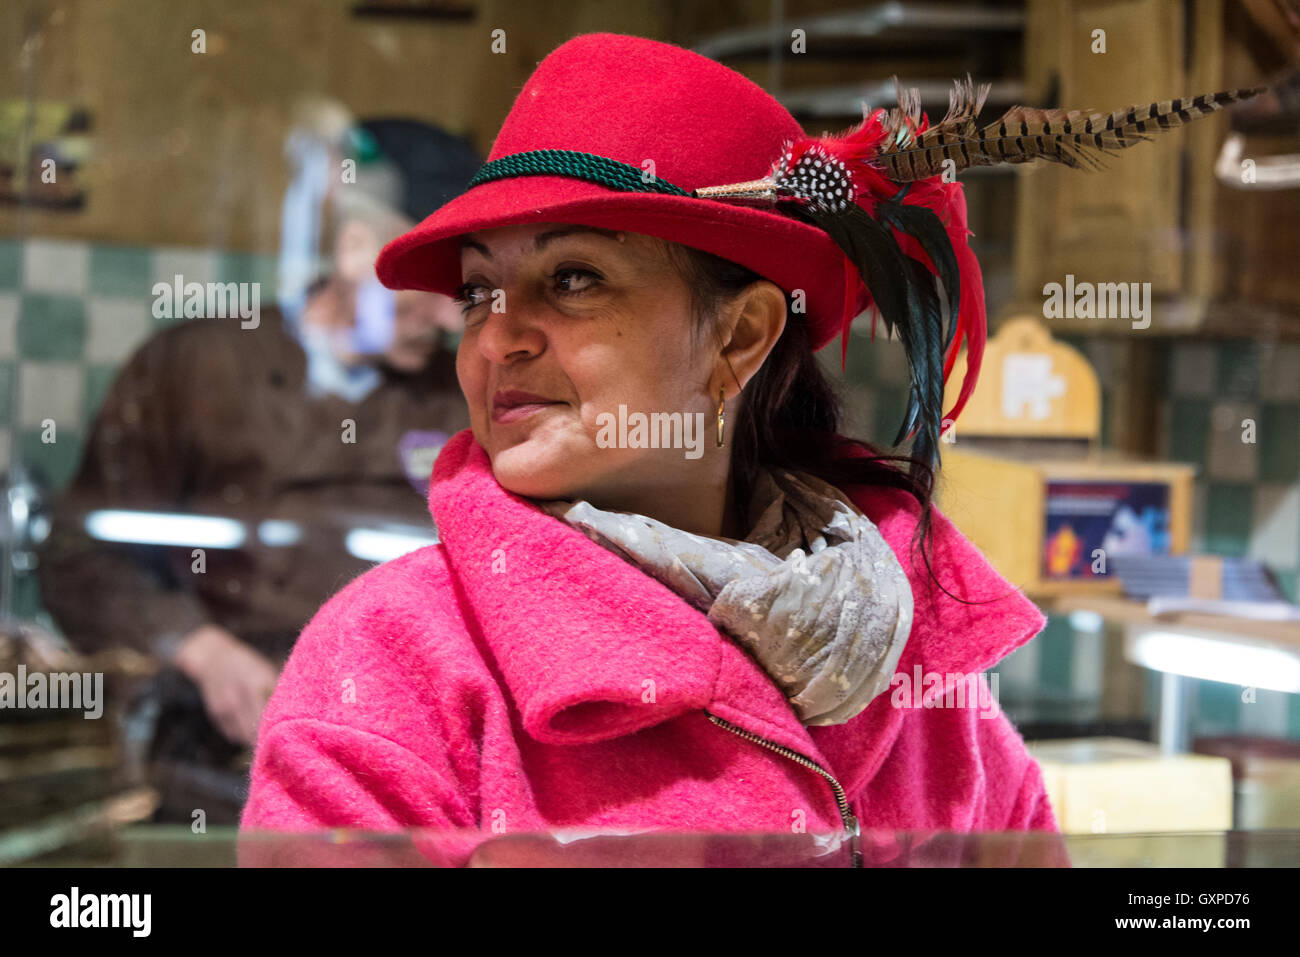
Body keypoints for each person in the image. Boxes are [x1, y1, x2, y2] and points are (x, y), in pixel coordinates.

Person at [240, 33, 1252, 863]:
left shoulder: (914, 660)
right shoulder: (390, 659)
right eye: (477, 291)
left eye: (574, 279)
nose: (500, 335)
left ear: (738, 337)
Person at [36, 121, 478, 824]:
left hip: (409, 754)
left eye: (463, 288)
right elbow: (78, 556)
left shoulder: (464, 393)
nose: (449, 318)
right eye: (426, 285)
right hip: (207, 757)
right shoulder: (199, 366)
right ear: (356, 247)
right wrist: (201, 650)